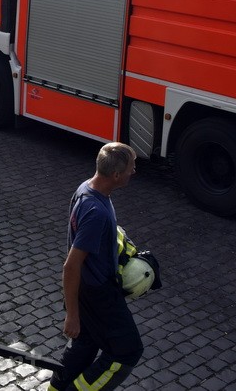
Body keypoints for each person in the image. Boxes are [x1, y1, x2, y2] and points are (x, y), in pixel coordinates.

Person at [48, 142, 144, 391]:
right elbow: (71, 266)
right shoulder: (96, 212)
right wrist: (72, 314)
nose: (134, 172)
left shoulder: (87, 188)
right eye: (131, 168)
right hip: (98, 293)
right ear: (116, 175)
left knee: (86, 341)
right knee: (127, 351)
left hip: (88, 289)